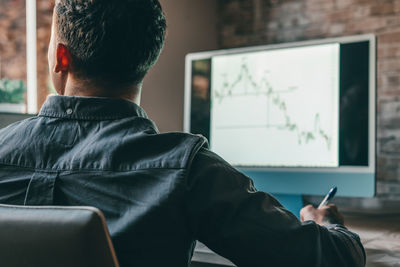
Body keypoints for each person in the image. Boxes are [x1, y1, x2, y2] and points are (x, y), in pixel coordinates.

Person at [0, 0, 365, 266]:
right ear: (148, 59)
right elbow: (329, 260)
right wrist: (329, 224)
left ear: (61, 58)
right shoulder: (185, 168)